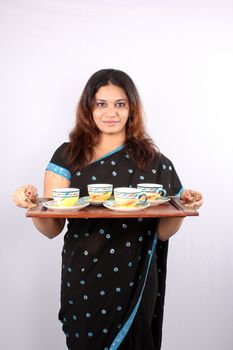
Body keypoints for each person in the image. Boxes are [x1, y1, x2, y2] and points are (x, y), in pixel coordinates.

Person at [13, 68, 203, 350]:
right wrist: (31, 205)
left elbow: (163, 232)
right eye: (101, 104)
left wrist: (183, 207)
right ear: (89, 108)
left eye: (120, 104)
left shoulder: (154, 161)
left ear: (131, 110)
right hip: (84, 275)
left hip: (135, 278)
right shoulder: (67, 156)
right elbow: (51, 229)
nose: (110, 113)